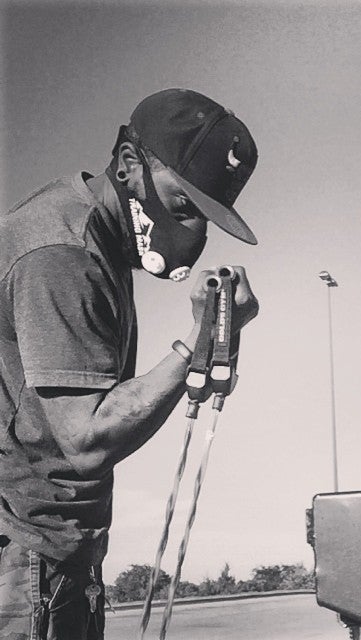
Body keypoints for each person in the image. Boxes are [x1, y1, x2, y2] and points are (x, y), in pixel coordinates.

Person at [0, 88, 260, 639]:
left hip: (54, 555)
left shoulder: (99, 239)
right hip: (24, 557)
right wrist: (199, 341)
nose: (192, 233)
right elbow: (86, 441)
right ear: (127, 164)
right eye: (183, 205)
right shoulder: (63, 254)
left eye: (205, 216)